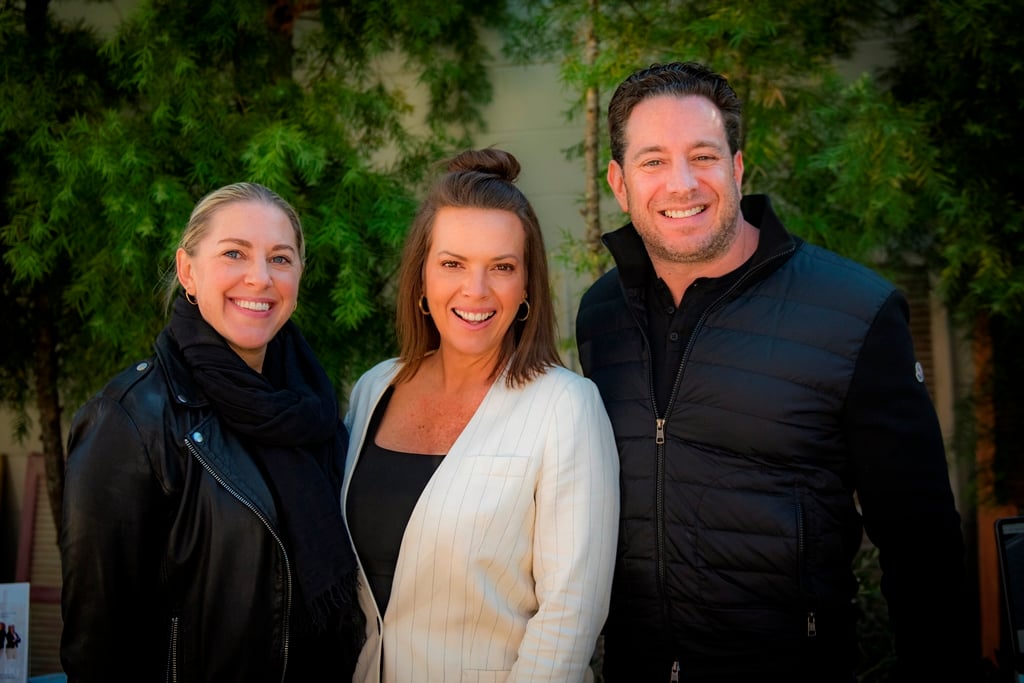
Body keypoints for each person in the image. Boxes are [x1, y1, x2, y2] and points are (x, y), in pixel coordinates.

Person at [575, 62, 975, 682]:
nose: (682, 183)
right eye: (653, 161)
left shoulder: (852, 312)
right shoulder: (602, 313)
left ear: (736, 168)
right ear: (619, 183)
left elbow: (921, 545)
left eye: (703, 156)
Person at [60, 182, 363, 682]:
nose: (260, 277)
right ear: (188, 271)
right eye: (234, 254)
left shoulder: (315, 407)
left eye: (280, 259)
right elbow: (98, 648)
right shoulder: (130, 419)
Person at [343, 148, 620, 682]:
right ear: (421, 277)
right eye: (453, 264)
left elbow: (569, 617)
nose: (476, 290)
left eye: (502, 267)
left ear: (526, 286)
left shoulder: (565, 407)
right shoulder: (375, 388)